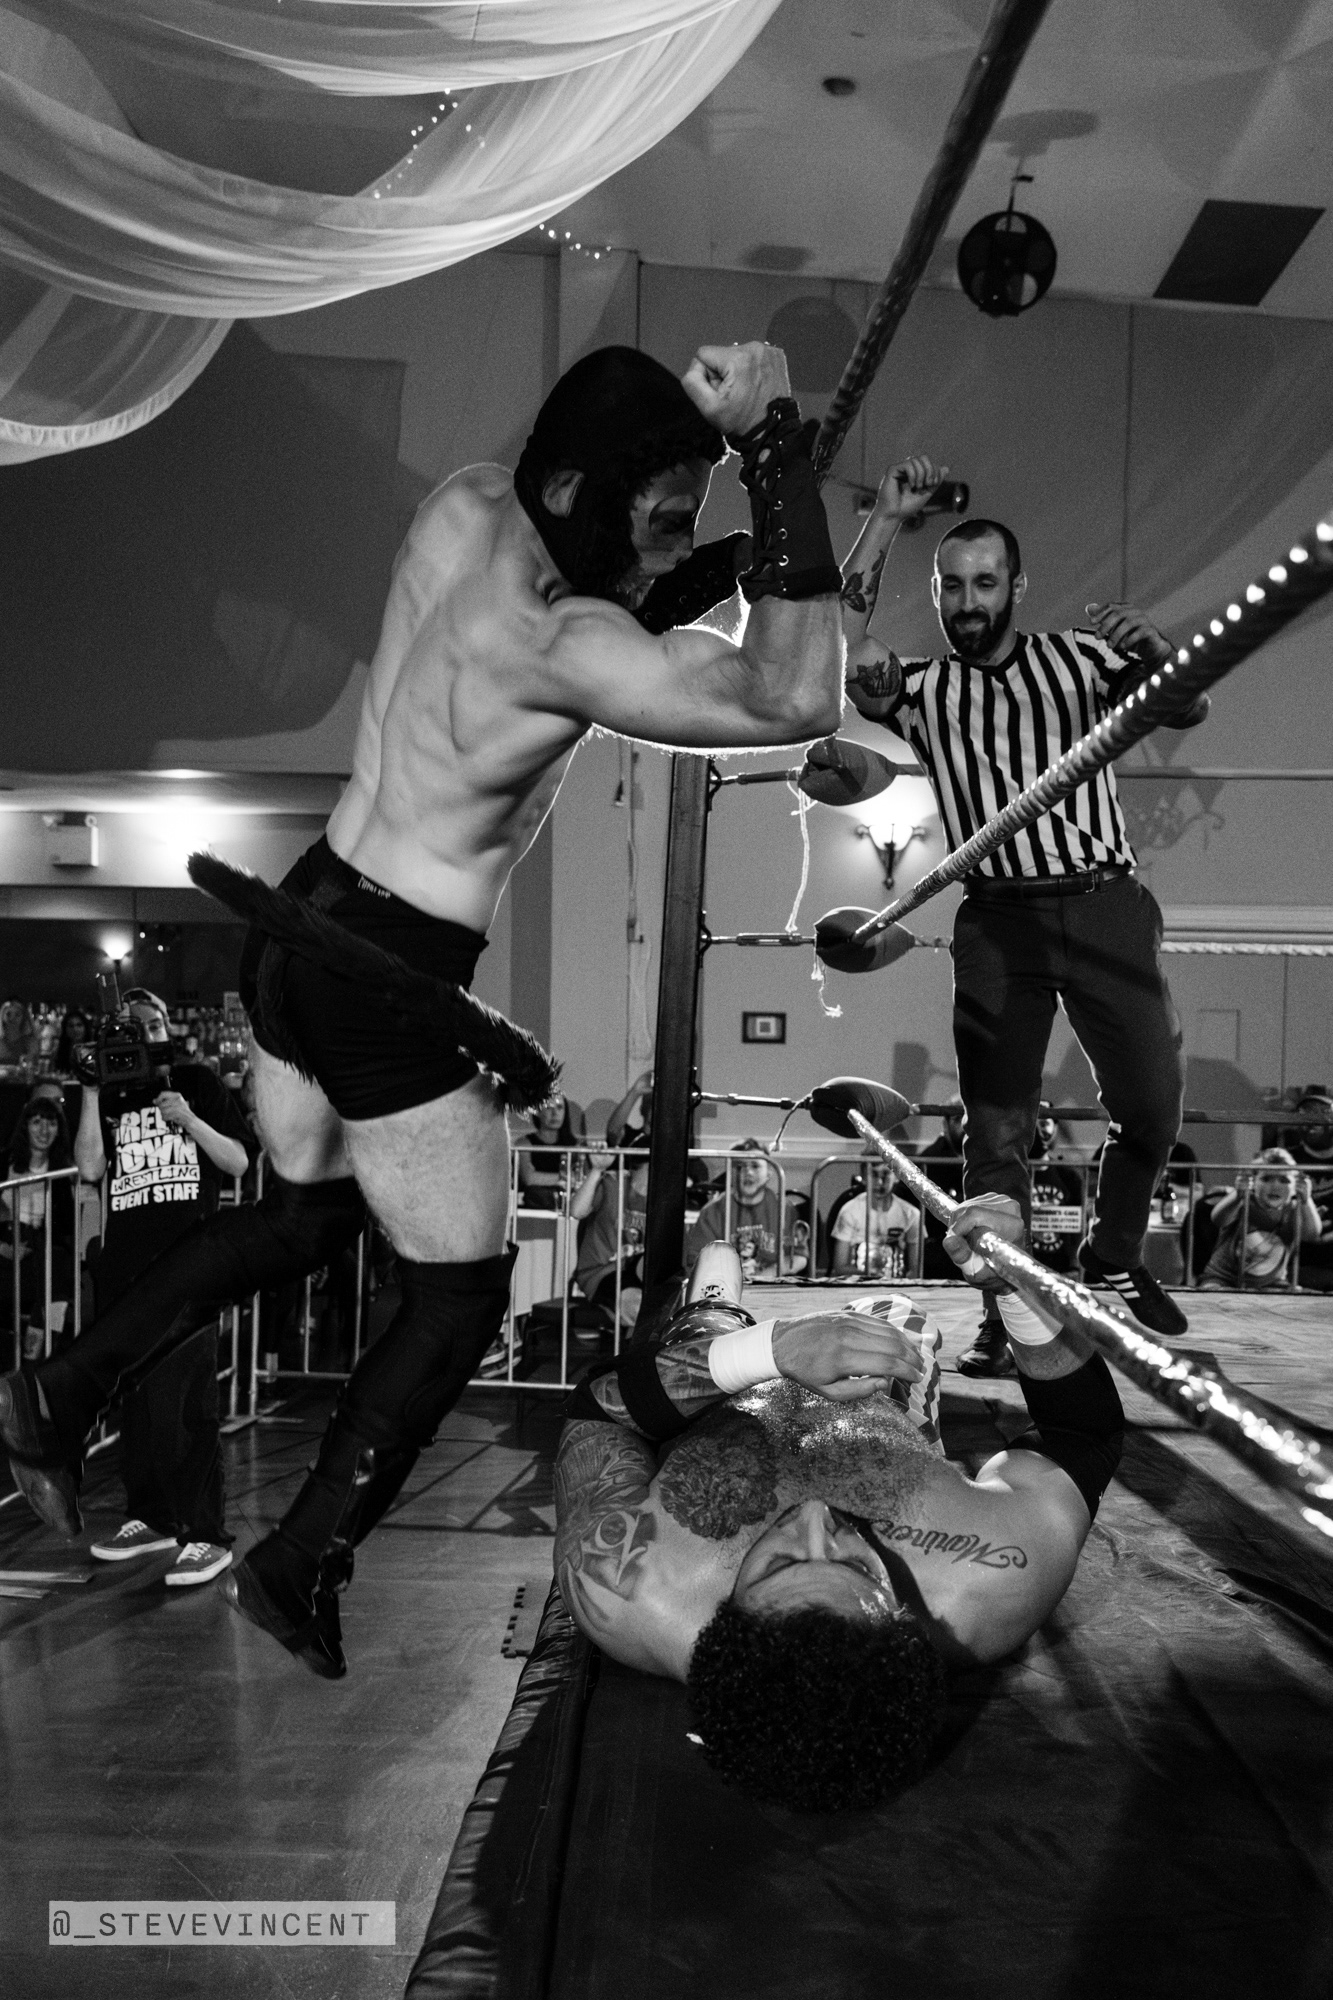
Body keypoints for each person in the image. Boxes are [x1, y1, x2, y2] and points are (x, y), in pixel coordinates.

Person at [2, 339, 844, 1678]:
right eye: (662, 518)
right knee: (459, 1296)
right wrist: (776, 440)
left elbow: (625, 580)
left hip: (304, 914)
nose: (674, 547)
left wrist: (734, 540)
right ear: (580, 495)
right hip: (384, 971)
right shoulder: (565, 647)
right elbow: (793, 693)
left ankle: (61, 1387)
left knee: (300, 1217)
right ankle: (300, 1560)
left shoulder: (464, 502)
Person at [554, 1197, 1124, 1812]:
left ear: (719, 1621)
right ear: (903, 1620)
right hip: (882, 1406)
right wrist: (1015, 1282)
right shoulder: (991, 1578)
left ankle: (714, 1310)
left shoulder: (628, 1584)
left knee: (711, 1304)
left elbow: (596, 1409)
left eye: (778, 1564)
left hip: (717, 1410)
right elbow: (1082, 1435)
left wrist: (763, 1352)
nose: (817, 1519)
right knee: (899, 1317)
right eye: (856, 1564)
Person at [841, 474, 1209, 1365]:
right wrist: (884, 522)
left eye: (984, 583)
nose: (968, 603)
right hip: (999, 921)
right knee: (994, 1134)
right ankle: (1008, 1316)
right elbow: (838, 643)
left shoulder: (1079, 660)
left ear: (1016, 586)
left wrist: (1159, 650)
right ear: (936, 593)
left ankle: (1111, 1255)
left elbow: (1187, 707)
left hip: (1104, 905)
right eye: (952, 586)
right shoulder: (918, 687)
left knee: (1152, 1108)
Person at [73, 989, 255, 1587]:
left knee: (188, 1405)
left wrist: (191, 1120)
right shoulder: (112, 1093)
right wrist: (91, 1091)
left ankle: (207, 1535)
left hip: (189, 1270)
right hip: (127, 1274)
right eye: (130, 1026)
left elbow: (238, 1162)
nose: (143, 1034)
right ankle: (152, 1517)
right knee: (139, 1405)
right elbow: (91, 1168)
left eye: (152, 1024)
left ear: (167, 1028)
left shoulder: (198, 1081)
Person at [1, 1095, 77, 1362]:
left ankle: (37, 1350)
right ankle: (32, 1354)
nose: (44, 1131)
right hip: (7, 1238)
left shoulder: (63, 1170)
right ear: (25, 1126)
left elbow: (65, 1225)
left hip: (42, 1243)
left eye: (51, 1123)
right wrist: (4, 1247)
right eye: (37, 1122)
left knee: (58, 1266)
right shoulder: (5, 1162)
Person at [1198, 1148, 1321, 1291]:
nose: (1275, 1186)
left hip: (1272, 1283)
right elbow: (1218, 1219)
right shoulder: (1243, 1201)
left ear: (1295, 1187)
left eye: (1284, 1180)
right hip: (1223, 1279)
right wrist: (1238, 1194)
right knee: (1214, 1292)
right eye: (1266, 1179)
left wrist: (1306, 1200)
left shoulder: (1293, 1209)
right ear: (1253, 1182)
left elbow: (1312, 1234)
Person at [686, 1139, 809, 1280]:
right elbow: (698, 1262)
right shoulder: (712, 1212)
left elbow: (799, 1257)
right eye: (739, 1166)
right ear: (730, 1172)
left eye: (755, 1166)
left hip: (772, 1284)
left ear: (769, 1172)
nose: (748, 1172)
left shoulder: (785, 1208)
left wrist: (764, 1274)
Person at [828, 1149, 920, 1279]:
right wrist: (871, 1278)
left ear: (897, 1176)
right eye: (874, 1174)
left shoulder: (911, 1214)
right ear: (864, 1177)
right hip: (858, 1284)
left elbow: (916, 1269)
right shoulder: (850, 1211)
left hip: (897, 1286)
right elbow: (840, 1267)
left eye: (886, 1174)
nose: (880, 1182)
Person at [515, 1093, 586, 1210]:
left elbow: (580, 1179)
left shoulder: (575, 1145)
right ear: (537, 1112)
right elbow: (529, 1178)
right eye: (548, 1108)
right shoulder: (524, 1143)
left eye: (559, 1108)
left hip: (567, 1206)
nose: (555, 1113)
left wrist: (543, 1178)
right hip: (533, 1208)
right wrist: (564, 1178)